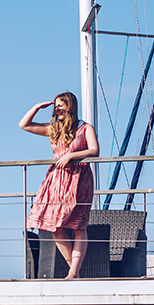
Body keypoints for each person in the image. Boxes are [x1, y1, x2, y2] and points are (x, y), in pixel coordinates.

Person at [19, 92, 100, 279]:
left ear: (70, 106)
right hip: (57, 181)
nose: (57, 109)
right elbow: (24, 125)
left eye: (61, 105)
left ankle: (72, 273)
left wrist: (72, 155)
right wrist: (38, 107)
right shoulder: (54, 128)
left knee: (79, 226)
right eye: (56, 106)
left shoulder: (85, 128)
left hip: (79, 179)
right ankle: (75, 270)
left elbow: (94, 150)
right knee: (56, 226)